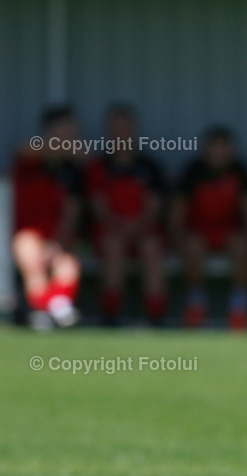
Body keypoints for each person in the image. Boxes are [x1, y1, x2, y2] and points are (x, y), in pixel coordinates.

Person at [86, 104, 167, 326]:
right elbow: (98, 206)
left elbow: (154, 206)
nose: (120, 133)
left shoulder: (149, 167)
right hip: (110, 231)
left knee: (152, 248)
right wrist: (120, 227)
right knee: (113, 247)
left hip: (143, 230)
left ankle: (156, 315)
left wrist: (137, 227)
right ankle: (110, 314)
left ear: (133, 129)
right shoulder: (99, 167)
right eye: (116, 128)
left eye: (125, 127)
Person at [172, 126, 247, 329]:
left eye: (223, 147)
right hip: (199, 232)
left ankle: (239, 310)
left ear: (230, 150)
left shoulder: (240, 173)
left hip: (229, 232)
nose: (218, 152)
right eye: (214, 147)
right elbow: (177, 213)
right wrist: (177, 241)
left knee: (241, 246)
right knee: (193, 246)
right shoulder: (192, 172)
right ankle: (196, 306)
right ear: (206, 149)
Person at [12, 106, 84, 330]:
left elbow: (71, 212)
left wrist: (57, 242)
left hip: (57, 237)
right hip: (29, 233)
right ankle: (54, 309)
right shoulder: (31, 159)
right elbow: (23, 149)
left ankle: (47, 309)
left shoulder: (71, 170)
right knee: (29, 252)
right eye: (66, 130)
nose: (71, 135)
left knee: (68, 265)